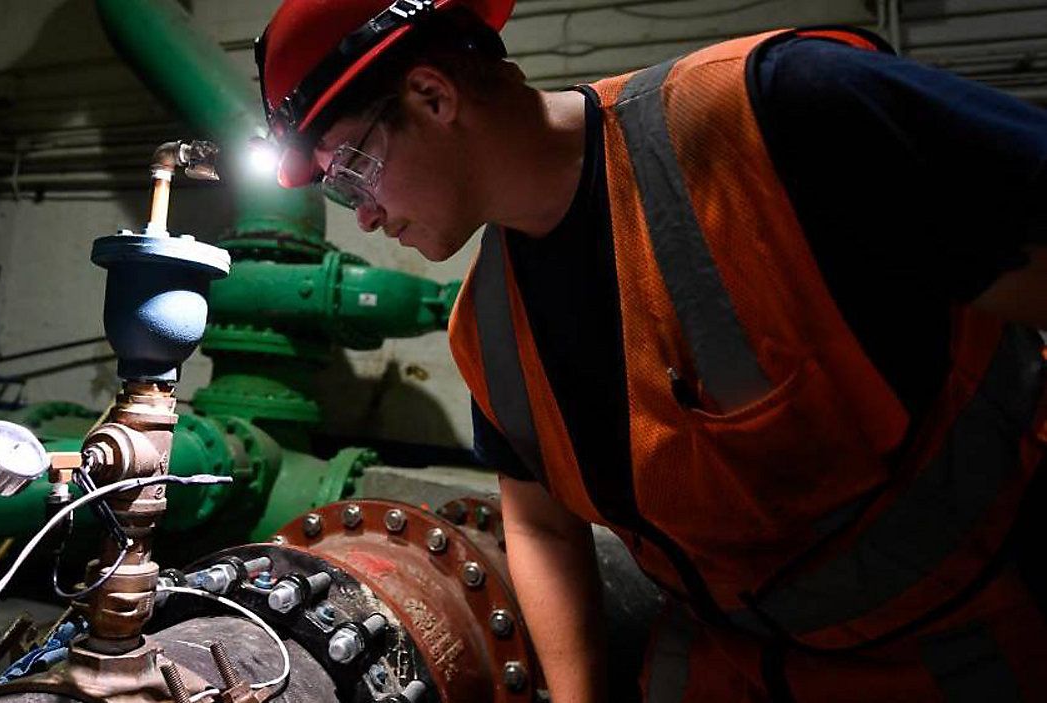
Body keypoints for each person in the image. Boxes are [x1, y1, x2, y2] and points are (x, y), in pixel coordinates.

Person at [254, 1, 1047, 700]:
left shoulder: (773, 115)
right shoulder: (485, 327)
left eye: (353, 169)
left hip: (974, 639)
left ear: (432, 96)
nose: (361, 215)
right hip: (734, 666)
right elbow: (538, 524)